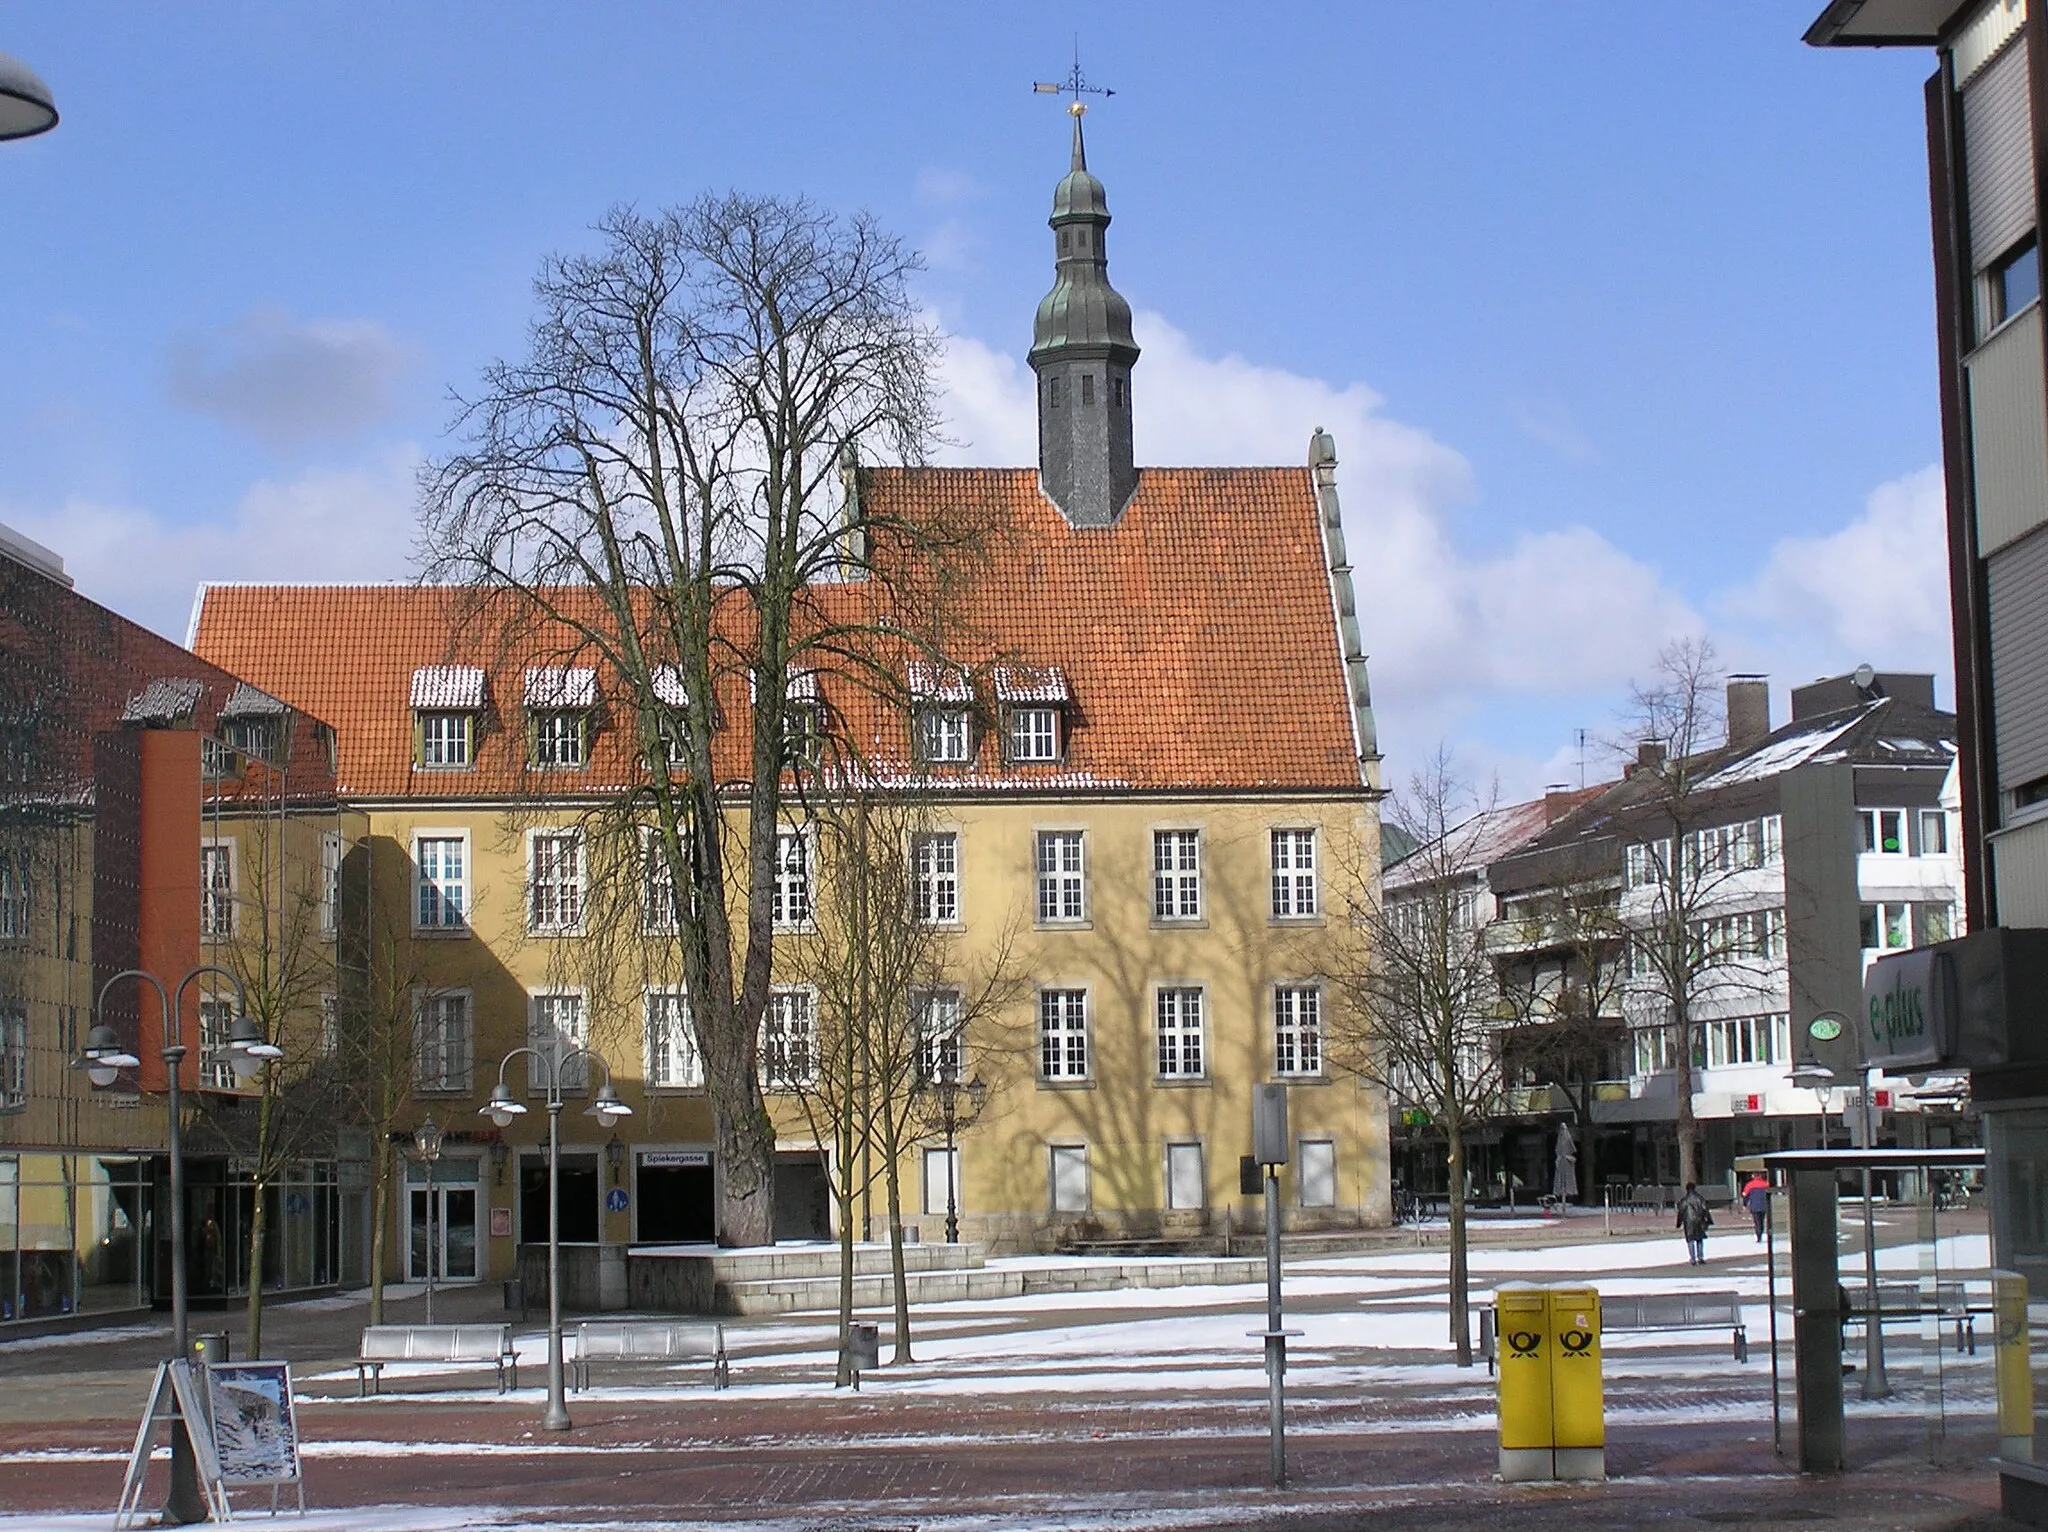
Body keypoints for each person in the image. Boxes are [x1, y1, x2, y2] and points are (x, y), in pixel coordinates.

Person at [1676, 1182, 1713, 1265]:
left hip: (1688, 1222)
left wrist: (1679, 1223)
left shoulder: (1684, 1200)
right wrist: (1709, 1220)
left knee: (1690, 1239)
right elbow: (1705, 1209)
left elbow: (1681, 1212)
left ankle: (1693, 1258)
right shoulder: (1700, 1198)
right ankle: (1700, 1257)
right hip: (1699, 1221)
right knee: (1699, 1239)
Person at [1741, 1172, 1771, 1241]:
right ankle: (1760, 1232)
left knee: (1757, 1222)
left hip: (1754, 1207)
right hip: (1764, 1206)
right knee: (1761, 1221)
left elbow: (1745, 1195)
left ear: (1753, 1176)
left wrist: (1744, 1205)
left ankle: (1758, 1236)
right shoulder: (1766, 1184)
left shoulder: (1749, 1185)